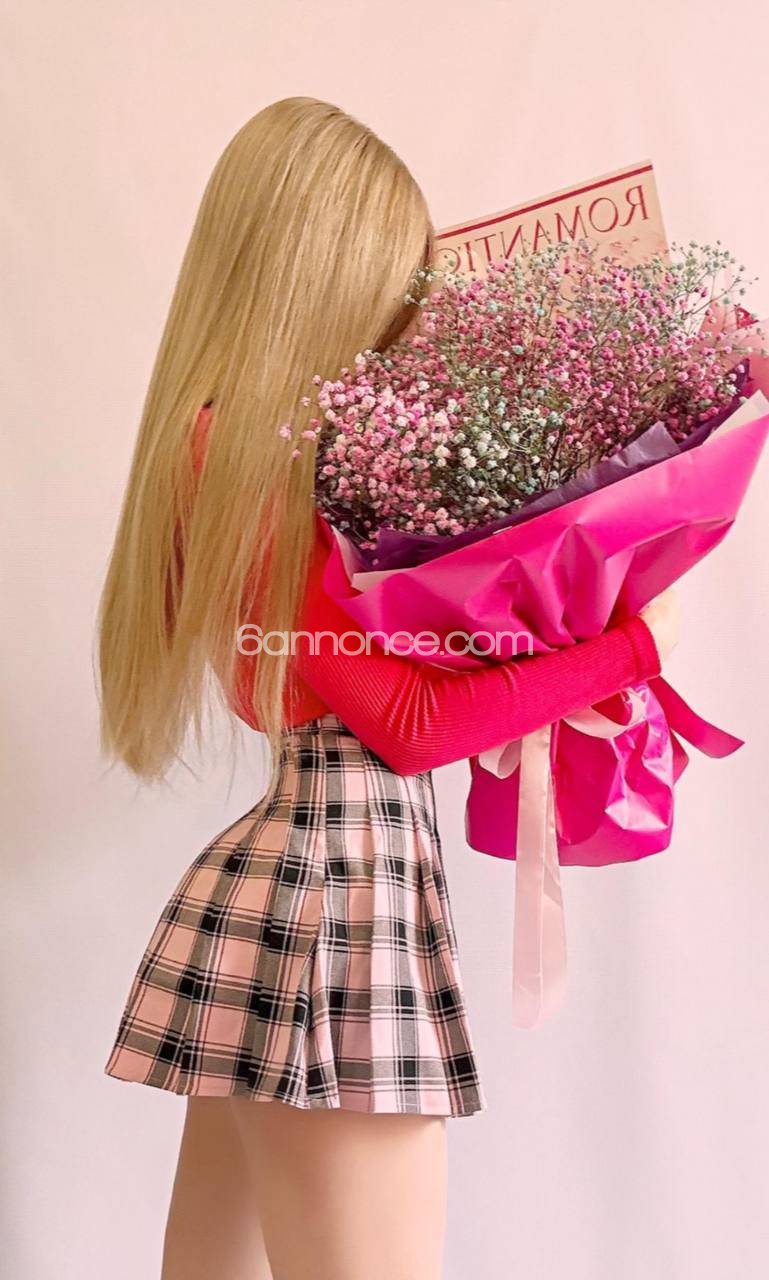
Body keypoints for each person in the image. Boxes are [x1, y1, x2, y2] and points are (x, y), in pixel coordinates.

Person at [98, 97, 681, 1280]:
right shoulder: (253, 463)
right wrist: (625, 648)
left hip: (303, 884)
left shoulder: (226, 448)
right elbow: (409, 726)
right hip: (339, 904)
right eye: (394, 279)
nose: (410, 311)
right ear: (322, 272)